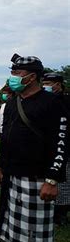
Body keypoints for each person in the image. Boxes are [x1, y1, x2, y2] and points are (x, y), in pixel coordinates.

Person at [0, 54, 67, 242]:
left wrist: (52, 180)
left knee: (34, 238)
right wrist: (0, 167)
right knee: (8, 229)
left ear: (32, 77)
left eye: (17, 73)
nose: (13, 77)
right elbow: (6, 139)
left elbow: (61, 143)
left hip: (37, 179)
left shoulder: (52, 102)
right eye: (12, 73)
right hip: (11, 176)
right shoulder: (11, 103)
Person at [42, 72, 70, 226]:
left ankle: (62, 213)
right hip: (46, 147)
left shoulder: (65, 100)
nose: (46, 86)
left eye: (49, 83)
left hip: (64, 147)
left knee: (64, 182)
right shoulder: (44, 100)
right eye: (44, 82)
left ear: (58, 85)